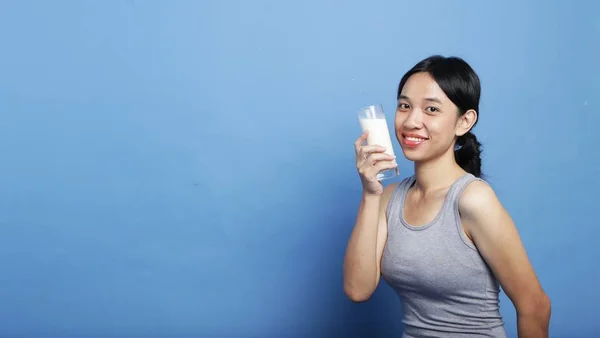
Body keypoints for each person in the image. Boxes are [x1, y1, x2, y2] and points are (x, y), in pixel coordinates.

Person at [343, 55, 551, 337]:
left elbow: (535, 306)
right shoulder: (388, 197)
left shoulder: (473, 199)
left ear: (464, 122)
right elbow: (358, 289)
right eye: (404, 106)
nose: (412, 121)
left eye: (431, 109)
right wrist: (370, 193)